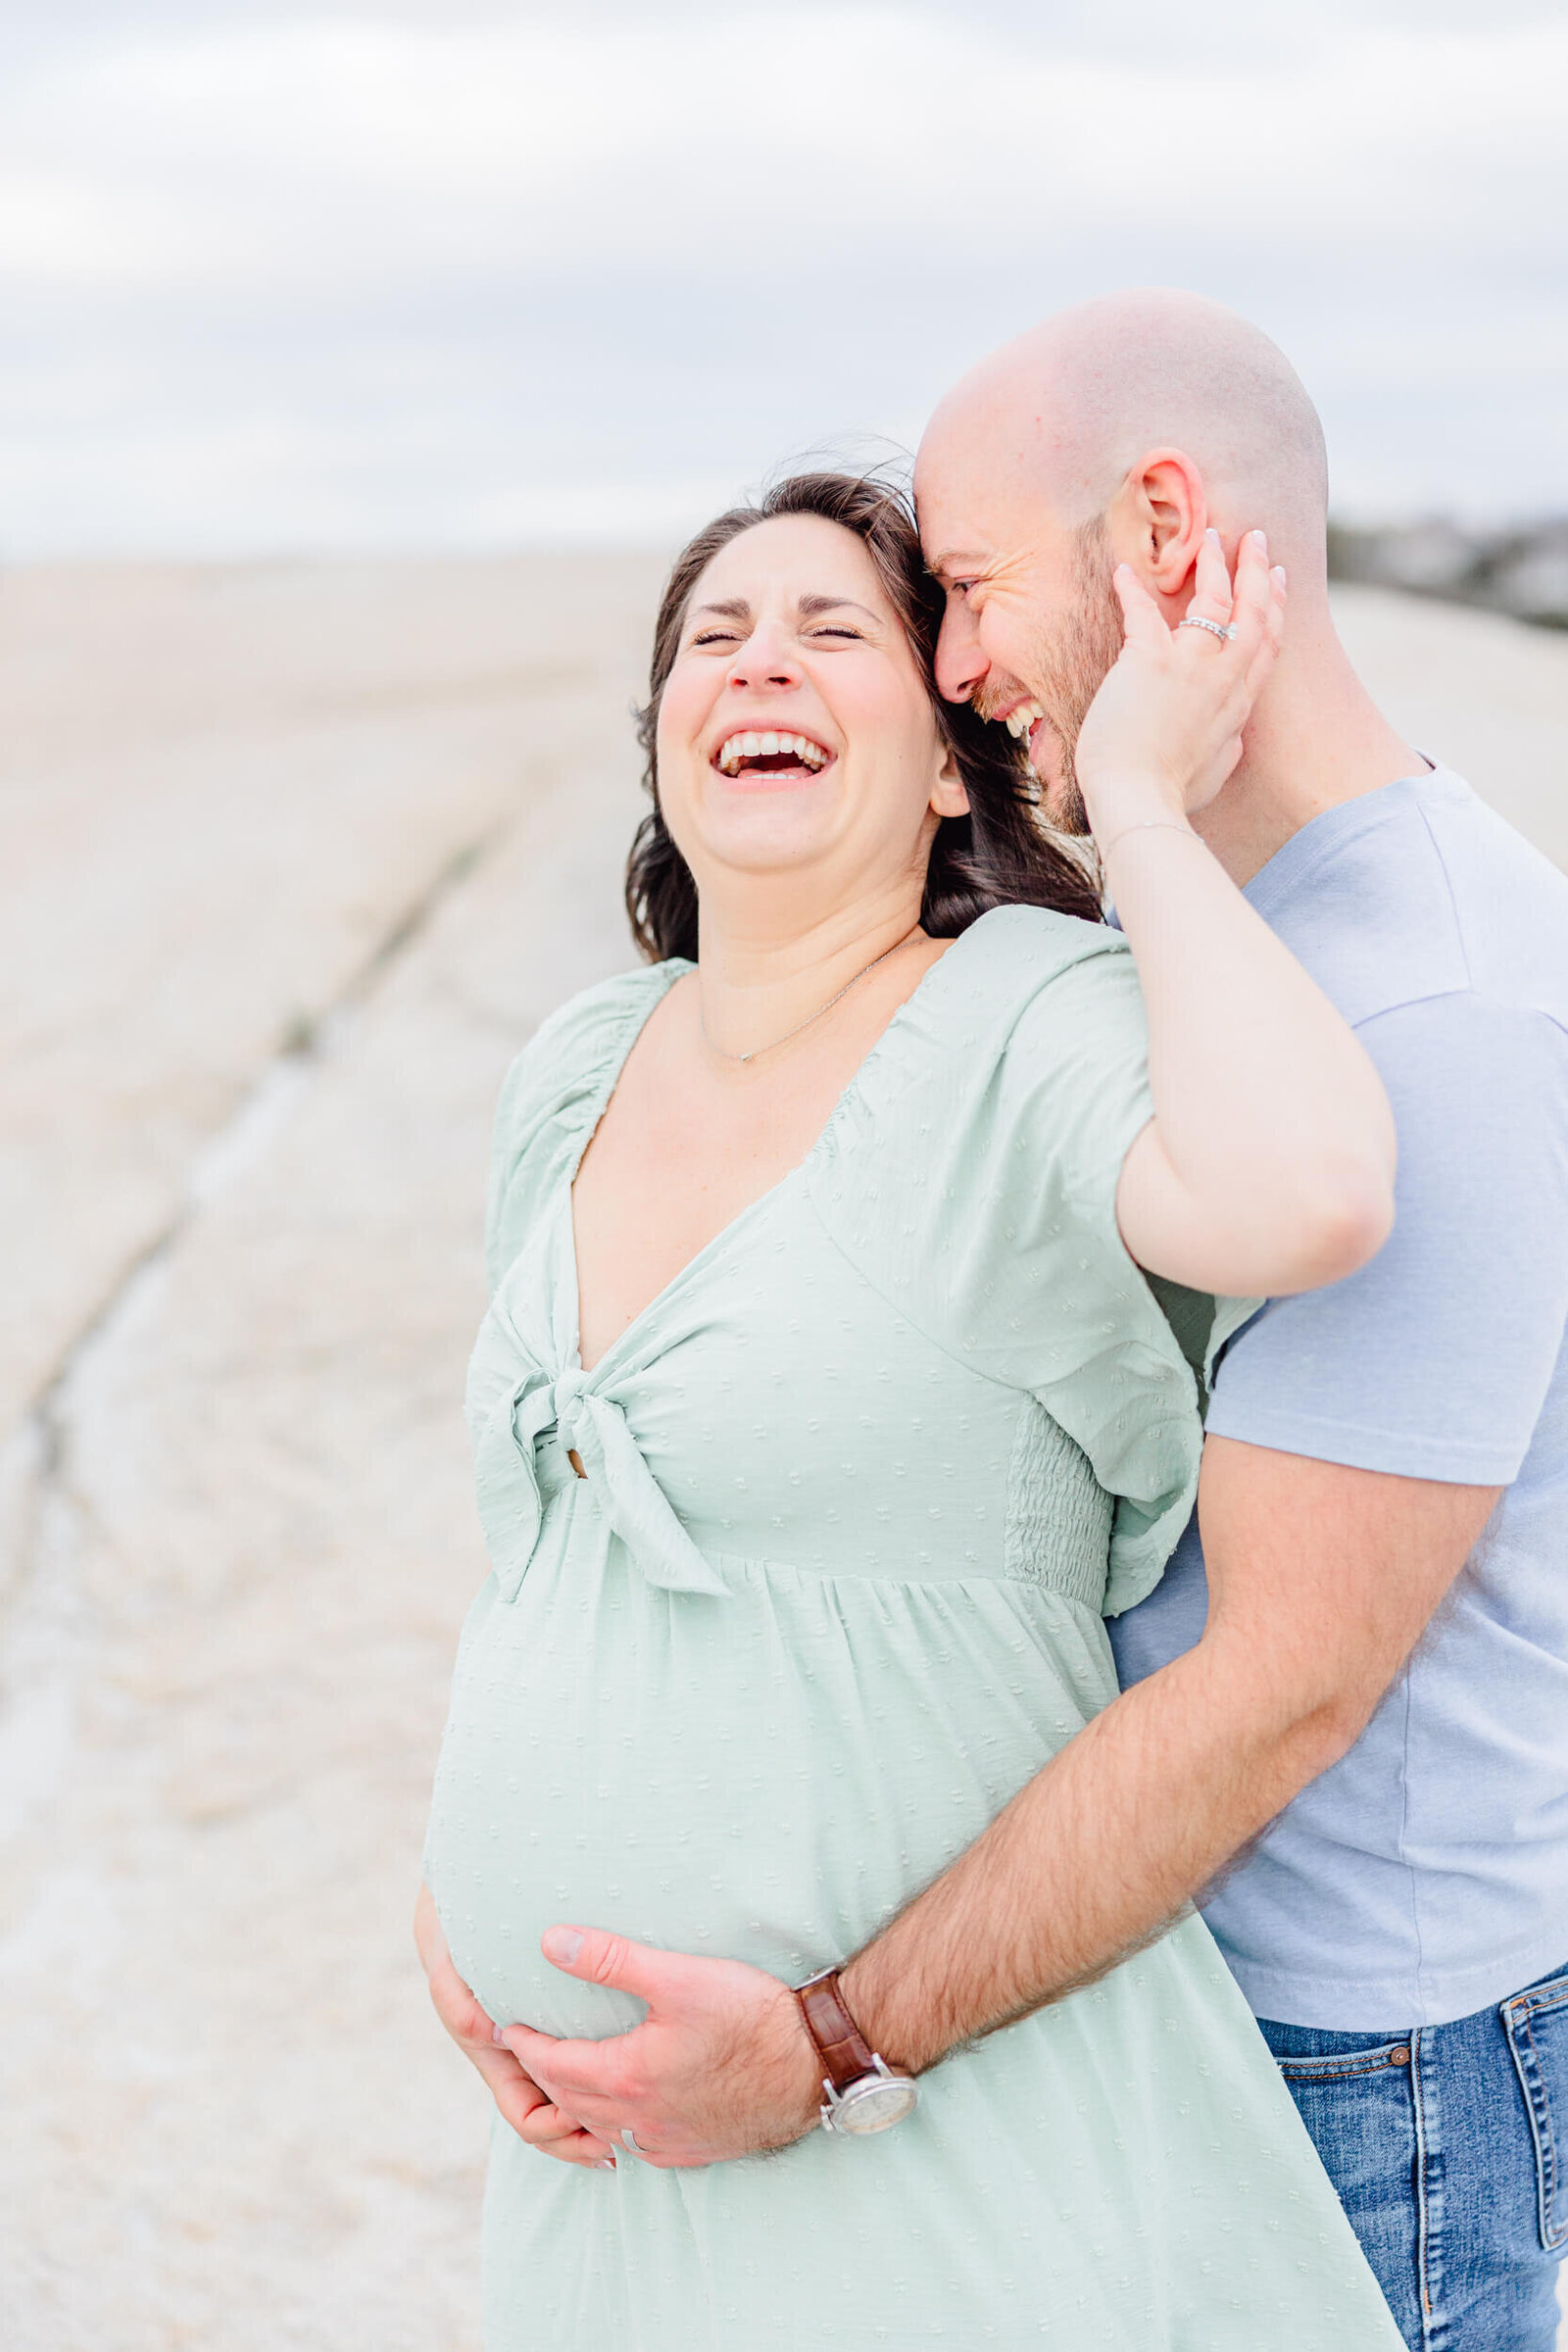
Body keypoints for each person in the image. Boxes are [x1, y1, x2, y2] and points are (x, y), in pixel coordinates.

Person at [441, 293, 1568, 2352]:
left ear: (1162, 529)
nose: (958, 666)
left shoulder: (1434, 1006)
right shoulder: (1201, 939)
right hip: (1051, 1997)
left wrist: (841, 2039)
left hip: (1325, 2058)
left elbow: (1280, 1687)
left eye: (953, 592)